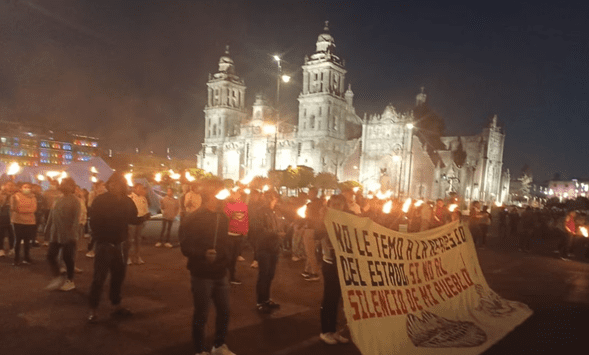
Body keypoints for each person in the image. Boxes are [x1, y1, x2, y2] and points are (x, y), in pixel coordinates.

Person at [180, 179, 235, 355]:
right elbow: (185, 246)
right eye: (219, 194)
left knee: (224, 311)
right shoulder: (194, 218)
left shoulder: (223, 218)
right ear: (210, 196)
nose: (223, 199)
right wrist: (202, 253)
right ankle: (199, 350)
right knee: (201, 314)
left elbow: (225, 243)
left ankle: (219, 345)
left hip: (220, 273)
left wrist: (224, 258)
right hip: (201, 274)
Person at [88, 173, 138, 323]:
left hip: (121, 245)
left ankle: (116, 305)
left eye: (117, 183)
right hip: (105, 244)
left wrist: (143, 217)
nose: (113, 186)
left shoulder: (127, 201)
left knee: (118, 276)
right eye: (111, 183)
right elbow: (94, 222)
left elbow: (132, 218)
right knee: (99, 278)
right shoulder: (100, 200)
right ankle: (93, 309)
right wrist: (100, 237)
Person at [319, 194, 350, 345]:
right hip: (330, 263)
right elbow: (317, 234)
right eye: (334, 204)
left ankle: (335, 330)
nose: (337, 207)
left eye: (340, 204)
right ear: (329, 205)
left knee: (338, 298)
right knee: (329, 298)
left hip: (343, 264)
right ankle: (326, 331)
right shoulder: (324, 219)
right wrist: (322, 217)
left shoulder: (347, 219)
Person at [45, 178, 81, 292]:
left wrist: (72, 235)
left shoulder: (75, 201)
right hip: (55, 234)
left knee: (67, 258)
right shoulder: (57, 199)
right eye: (62, 183)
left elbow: (76, 220)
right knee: (50, 256)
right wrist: (47, 228)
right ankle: (57, 277)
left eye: (66, 184)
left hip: (68, 235)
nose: (63, 186)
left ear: (72, 187)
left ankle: (70, 281)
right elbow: (52, 214)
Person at [253, 191, 284, 314]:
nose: (273, 201)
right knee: (263, 274)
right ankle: (260, 301)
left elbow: (279, 224)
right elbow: (259, 229)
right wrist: (276, 233)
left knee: (270, 274)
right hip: (263, 247)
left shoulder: (275, 211)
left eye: (274, 198)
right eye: (271, 198)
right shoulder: (260, 211)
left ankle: (266, 299)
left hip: (274, 247)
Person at [224, 190, 249, 285]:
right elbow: (225, 218)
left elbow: (246, 219)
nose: (236, 195)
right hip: (229, 234)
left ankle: (232, 277)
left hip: (239, 235)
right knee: (228, 257)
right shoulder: (228, 205)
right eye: (235, 194)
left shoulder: (244, 206)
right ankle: (224, 275)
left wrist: (245, 230)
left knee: (234, 257)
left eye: (238, 194)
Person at [10, 182, 37, 266]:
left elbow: (33, 208)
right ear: (21, 188)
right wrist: (25, 210)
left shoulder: (33, 197)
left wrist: (22, 209)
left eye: (28, 187)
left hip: (30, 222)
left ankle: (26, 257)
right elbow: (15, 208)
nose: (27, 188)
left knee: (27, 241)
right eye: (25, 187)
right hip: (18, 221)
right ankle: (16, 258)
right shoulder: (15, 196)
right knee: (18, 240)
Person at [301, 187, 324, 282]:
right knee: (311, 251)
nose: (308, 195)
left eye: (310, 193)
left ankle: (315, 272)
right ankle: (307, 270)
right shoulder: (320, 203)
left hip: (311, 229)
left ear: (314, 193)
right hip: (316, 230)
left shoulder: (313, 204)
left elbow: (309, 217)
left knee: (310, 252)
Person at [128, 183, 150, 265]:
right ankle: (128, 257)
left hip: (140, 221)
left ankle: (137, 257)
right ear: (135, 189)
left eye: (142, 188)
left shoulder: (143, 198)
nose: (141, 190)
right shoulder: (130, 197)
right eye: (139, 188)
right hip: (131, 221)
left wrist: (146, 217)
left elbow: (145, 209)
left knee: (138, 240)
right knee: (130, 240)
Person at [41, 180, 63, 246]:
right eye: (52, 183)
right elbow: (43, 201)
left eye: (54, 183)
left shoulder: (60, 192)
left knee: (57, 225)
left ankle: (55, 239)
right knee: (48, 225)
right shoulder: (46, 192)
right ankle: (46, 239)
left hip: (57, 211)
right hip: (47, 210)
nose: (52, 185)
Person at [0, 181, 16, 257]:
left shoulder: (16, 195)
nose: (10, 187)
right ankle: (1, 249)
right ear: (5, 186)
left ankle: (12, 248)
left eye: (12, 185)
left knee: (12, 234)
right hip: (2, 218)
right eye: (9, 185)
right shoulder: (1, 194)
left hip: (12, 218)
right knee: (1, 234)